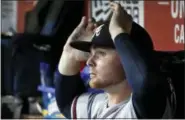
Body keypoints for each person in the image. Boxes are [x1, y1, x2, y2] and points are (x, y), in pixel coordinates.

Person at [55, 2, 173, 119]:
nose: (89, 62)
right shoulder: (96, 106)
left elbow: (144, 83)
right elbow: (66, 103)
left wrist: (118, 31)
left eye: (101, 53)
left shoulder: (148, 106)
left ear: (127, 59)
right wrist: (69, 54)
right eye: (91, 53)